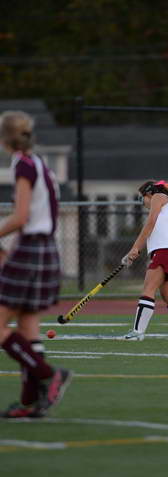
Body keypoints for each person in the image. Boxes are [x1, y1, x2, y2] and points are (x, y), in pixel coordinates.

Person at [0, 110, 72, 418]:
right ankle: (30, 401)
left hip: (32, 247)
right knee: (28, 325)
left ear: (4, 139)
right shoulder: (40, 163)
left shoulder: (23, 166)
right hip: (44, 249)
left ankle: (48, 375)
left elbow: (20, 217)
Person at [122, 180, 168, 341]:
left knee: (148, 289)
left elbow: (150, 222)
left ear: (148, 193)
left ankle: (137, 333)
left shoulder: (158, 196)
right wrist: (137, 250)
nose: (143, 204)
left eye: (141, 200)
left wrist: (135, 248)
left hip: (165, 251)